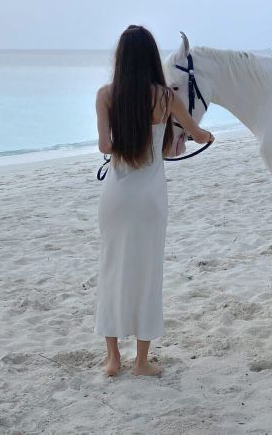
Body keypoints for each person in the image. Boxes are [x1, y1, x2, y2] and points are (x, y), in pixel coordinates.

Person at [94, 25, 213, 377]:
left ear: (121, 58)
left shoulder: (106, 95)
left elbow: (104, 146)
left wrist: (125, 146)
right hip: (149, 199)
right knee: (147, 274)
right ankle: (142, 362)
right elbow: (196, 132)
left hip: (115, 195)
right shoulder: (165, 97)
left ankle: (113, 358)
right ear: (150, 58)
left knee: (112, 269)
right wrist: (207, 136)